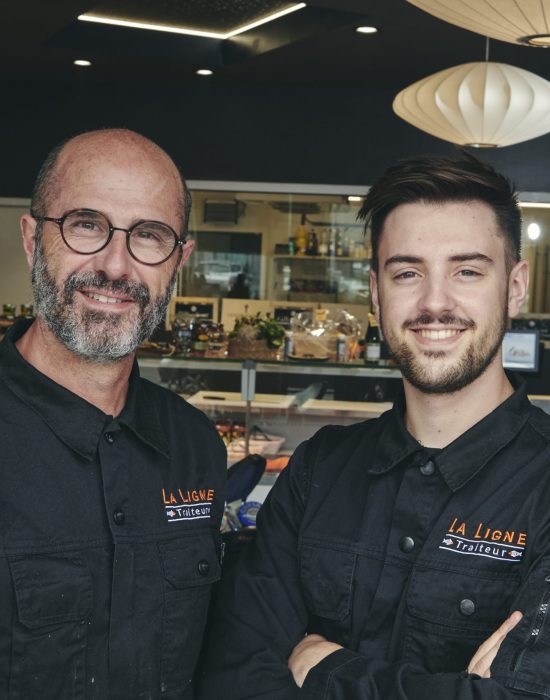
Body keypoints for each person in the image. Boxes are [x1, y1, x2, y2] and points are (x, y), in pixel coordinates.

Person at [197, 154, 550, 699]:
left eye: (468, 271)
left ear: (516, 286)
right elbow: (233, 675)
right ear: (376, 293)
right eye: (407, 272)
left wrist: (324, 667)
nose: (435, 303)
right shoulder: (318, 468)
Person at [0, 129, 226, 699]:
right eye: (85, 224)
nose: (116, 266)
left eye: (149, 235)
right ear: (32, 238)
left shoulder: (195, 446)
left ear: (179, 262)